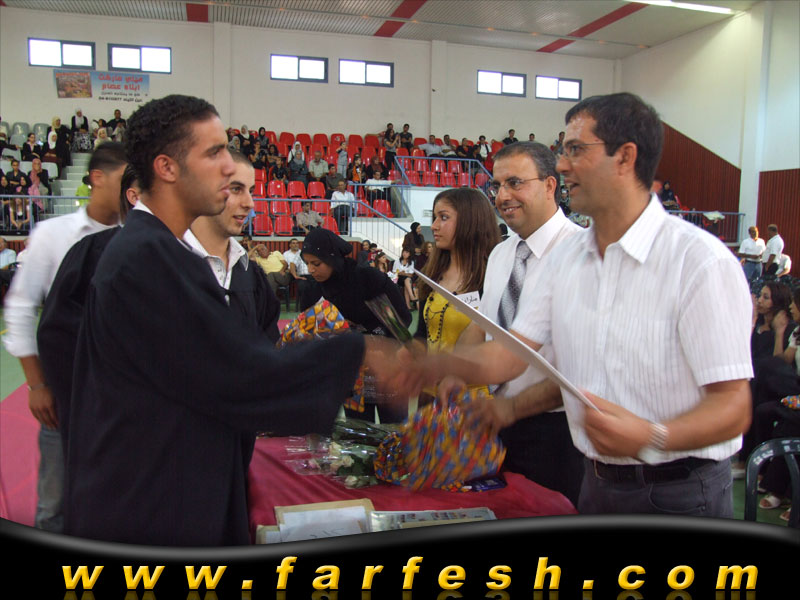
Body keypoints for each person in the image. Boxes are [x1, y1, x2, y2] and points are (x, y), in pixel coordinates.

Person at [63, 94, 404, 547]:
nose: (228, 168)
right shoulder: (145, 259)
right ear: (167, 168)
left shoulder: (160, 252)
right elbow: (240, 376)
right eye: (214, 153)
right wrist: (360, 352)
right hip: (149, 507)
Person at [420, 93, 753, 517]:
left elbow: (733, 406)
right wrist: (431, 369)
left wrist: (651, 436)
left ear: (625, 157)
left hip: (679, 490)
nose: (562, 164)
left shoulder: (698, 262)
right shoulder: (570, 258)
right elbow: (512, 352)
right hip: (598, 481)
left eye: (576, 150)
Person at [3, 142, 127, 534]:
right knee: (54, 501)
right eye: (124, 180)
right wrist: (37, 383)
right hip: (64, 387)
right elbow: (21, 306)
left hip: (120, 394)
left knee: (116, 496)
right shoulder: (53, 234)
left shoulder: (137, 238)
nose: (131, 191)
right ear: (97, 178)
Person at [453, 141, 585, 506]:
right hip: (497, 422)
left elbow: (583, 369)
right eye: (497, 185)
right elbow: (484, 325)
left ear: (549, 185)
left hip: (556, 432)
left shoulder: (582, 254)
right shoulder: (501, 253)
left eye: (515, 183)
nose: (502, 196)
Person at [36, 164, 142, 459]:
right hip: (107, 422)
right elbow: (56, 334)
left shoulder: (187, 258)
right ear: (135, 197)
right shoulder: (93, 253)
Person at [299, 227, 412, 423]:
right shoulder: (313, 291)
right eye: (307, 263)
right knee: (359, 433)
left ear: (332, 258)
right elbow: (309, 335)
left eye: (316, 263)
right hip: (351, 373)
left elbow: (400, 321)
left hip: (386, 367)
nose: (310, 270)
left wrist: (371, 341)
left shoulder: (366, 279)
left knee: (396, 431)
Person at [414, 187, 501, 405]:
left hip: (474, 400)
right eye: (435, 218)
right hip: (430, 395)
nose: (434, 226)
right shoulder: (431, 275)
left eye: (444, 218)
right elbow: (423, 333)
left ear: (470, 222)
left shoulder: (493, 278)